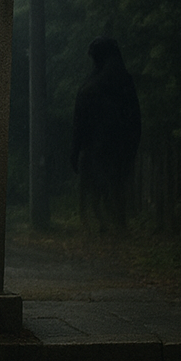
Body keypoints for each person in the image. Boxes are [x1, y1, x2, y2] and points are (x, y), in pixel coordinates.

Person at [70, 37, 141, 233]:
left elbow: (79, 125)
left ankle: (100, 226)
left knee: (96, 191)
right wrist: (131, 149)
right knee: (115, 190)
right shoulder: (124, 83)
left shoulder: (89, 88)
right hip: (117, 150)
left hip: (95, 151)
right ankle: (117, 226)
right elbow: (135, 121)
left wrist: (75, 152)